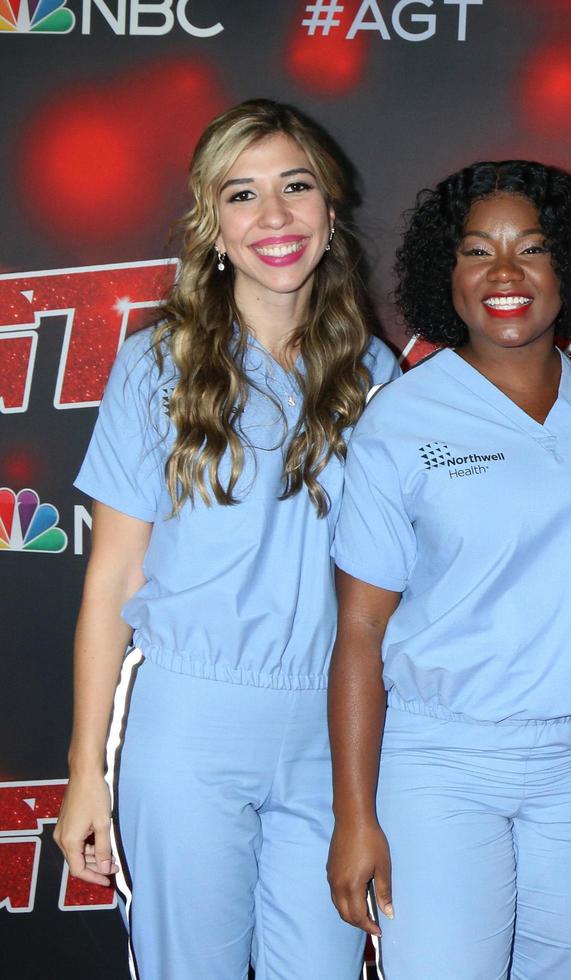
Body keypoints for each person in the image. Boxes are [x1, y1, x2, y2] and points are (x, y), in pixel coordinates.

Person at [325, 160, 571, 979]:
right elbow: (360, 632)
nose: (504, 274)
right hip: (441, 761)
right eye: (478, 251)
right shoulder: (399, 420)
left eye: (531, 249)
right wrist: (354, 815)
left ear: (565, 269)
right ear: (449, 274)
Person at [53, 100, 399, 978]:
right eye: (242, 195)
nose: (274, 217)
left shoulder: (376, 374)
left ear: (329, 213)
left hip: (335, 729)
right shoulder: (154, 363)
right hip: (189, 724)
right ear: (213, 225)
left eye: (296, 187)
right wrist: (85, 770)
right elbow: (112, 581)